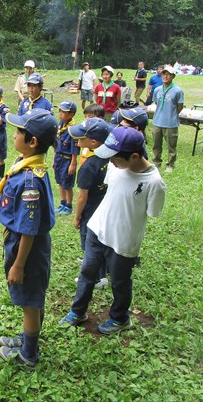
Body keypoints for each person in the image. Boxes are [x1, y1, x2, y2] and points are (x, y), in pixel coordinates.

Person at [59, 126, 166, 334]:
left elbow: (152, 212)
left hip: (123, 241)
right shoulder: (114, 167)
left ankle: (119, 318)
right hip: (97, 230)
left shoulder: (154, 183)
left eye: (114, 157)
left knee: (120, 281)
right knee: (87, 274)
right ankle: (78, 311)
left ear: (134, 156)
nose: (110, 161)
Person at [0, 108, 58, 367]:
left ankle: (28, 355)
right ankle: (27, 339)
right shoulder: (29, 166)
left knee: (30, 301)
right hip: (25, 243)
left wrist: (18, 265)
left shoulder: (31, 180)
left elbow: (28, 230)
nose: (15, 134)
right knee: (33, 297)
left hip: (26, 249)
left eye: (19, 131)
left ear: (32, 142)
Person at [69, 118, 111, 289]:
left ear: (93, 142)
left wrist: (77, 217)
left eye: (81, 137)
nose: (77, 140)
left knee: (91, 242)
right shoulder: (112, 158)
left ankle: (97, 278)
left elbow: (81, 197)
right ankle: (102, 269)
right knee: (102, 240)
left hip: (91, 211)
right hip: (106, 207)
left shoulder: (89, 166)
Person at [151, 66, 184, 173]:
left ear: (173, 76)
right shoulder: (157, 89)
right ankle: (156, 162)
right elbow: (157, 103)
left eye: (168, 74)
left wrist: (172, 115)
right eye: (164, 74)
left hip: (171, 123)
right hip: (157, 121)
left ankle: (170, 164)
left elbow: (180, 106)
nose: (165, 76)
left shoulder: (178, 91)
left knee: (171, 145)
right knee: (156, 144)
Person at [53, 100, 79, 216]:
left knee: (67, 184)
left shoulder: (73, 129)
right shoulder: (59, 125)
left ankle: (68, 205)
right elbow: (56, 144)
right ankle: (62, 203)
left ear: (71, 114)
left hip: (68, 159)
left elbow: (74, 148)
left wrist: (73, 163)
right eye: (60, 111)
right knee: (60, 181)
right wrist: (54, 159)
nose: (60, 114)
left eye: (63, 112)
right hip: (59, 157)